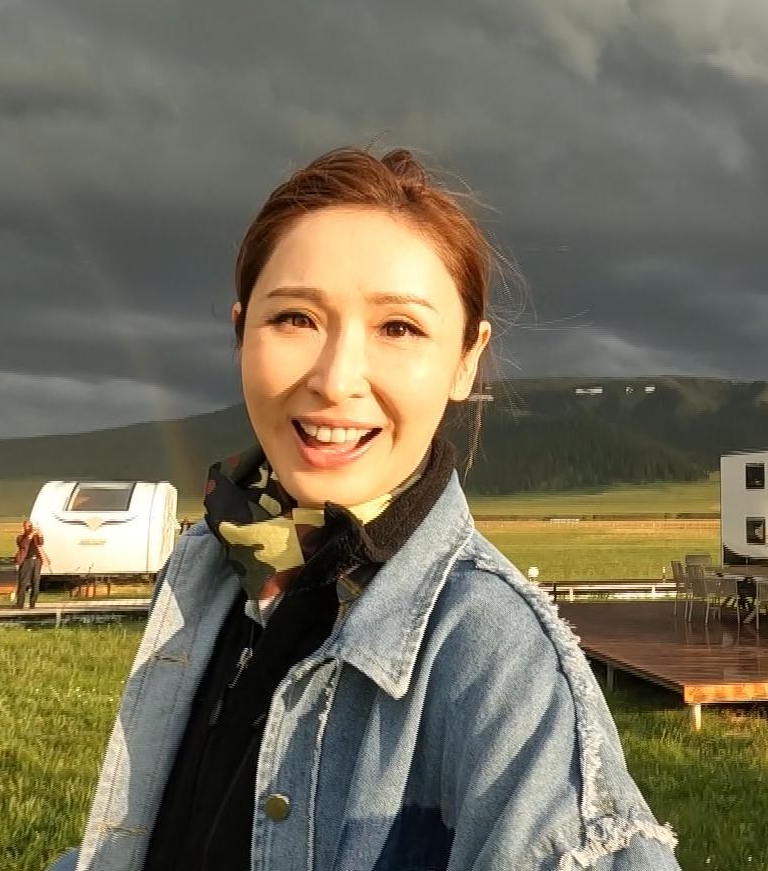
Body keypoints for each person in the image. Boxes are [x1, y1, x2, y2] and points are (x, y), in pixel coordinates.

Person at [54, 149, 677, 871]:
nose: (336, 379)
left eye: (398, 328)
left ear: (466, 359)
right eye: (295, 318)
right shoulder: (210, 568)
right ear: (241, 331)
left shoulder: (502, 663)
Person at [15, 520, 49, 608]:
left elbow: (41, 543)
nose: (30, 527)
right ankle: (20, 604)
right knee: (23, 583)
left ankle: (32, 603)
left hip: (37, 561)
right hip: (26, 561)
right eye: (28, 526)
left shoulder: (35, 537)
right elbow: (23, 545)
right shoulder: (21, 537)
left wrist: (40, 534)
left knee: (36, 582)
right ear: (24, 527)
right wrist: (29, 536)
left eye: (31, 526)